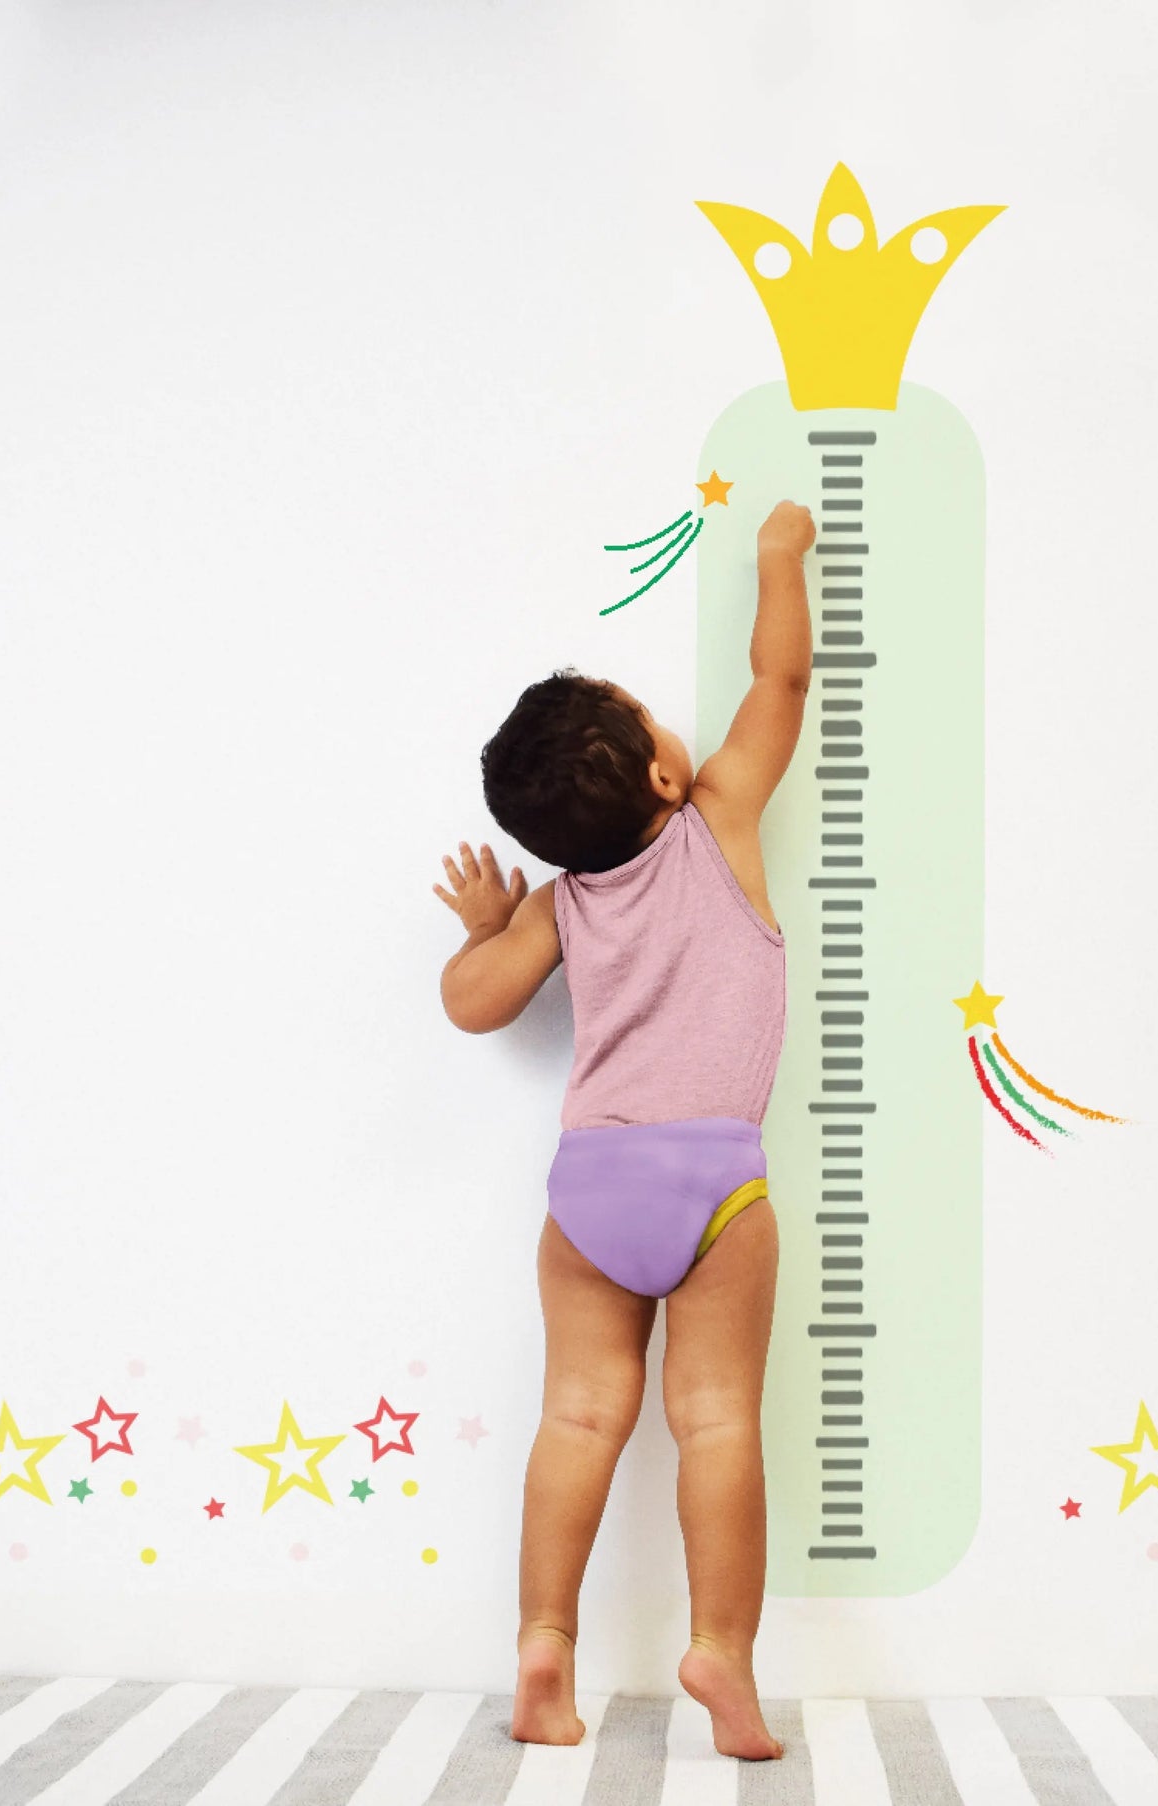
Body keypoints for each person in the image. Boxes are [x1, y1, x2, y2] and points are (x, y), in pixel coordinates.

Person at [433, 498, 815, 1761]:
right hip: (714, 1185)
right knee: (715, 1421)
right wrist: (779, 557)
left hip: (591, 1187)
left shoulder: (559, 903)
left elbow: (471, 1005)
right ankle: (720, 1652)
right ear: (661, 774)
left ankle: (544, 1645)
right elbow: (780, 679)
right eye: (649, 713)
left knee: (579, 1419)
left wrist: (489, 929)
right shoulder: (721, 819)